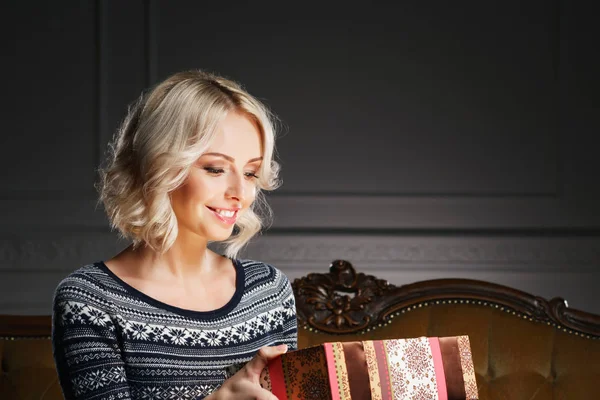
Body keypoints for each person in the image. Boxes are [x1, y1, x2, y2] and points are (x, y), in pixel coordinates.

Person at [51, 70, 297, 400]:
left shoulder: (268, 290)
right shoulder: (91, 300)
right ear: (160, 166)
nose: (241, 191)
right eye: (215, 168)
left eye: (251, 172)